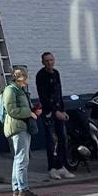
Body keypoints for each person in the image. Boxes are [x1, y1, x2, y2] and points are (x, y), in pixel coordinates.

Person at [0, 66, 40, 196]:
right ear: (21, 77)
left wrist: (33, 110)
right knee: (22, 158)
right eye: (27, 76)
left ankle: (16, 188)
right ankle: (23, 189)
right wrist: (30, 113)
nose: (28, 79)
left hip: (22, 126)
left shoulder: (19, 90)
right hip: (17, 127)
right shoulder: (10, 90)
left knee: (19, 158)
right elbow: (12, 110)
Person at [36, 50, 72, 179]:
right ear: (43, 62)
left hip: (59, 111)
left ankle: (61, 166)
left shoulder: (56, 73)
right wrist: (55, 111)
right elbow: (43, 97)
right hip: (49, 113)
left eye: (51, 60)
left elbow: (59, 93)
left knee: (62, 138)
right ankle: (52, 168)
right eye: (47, 61)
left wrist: (62, 110)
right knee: (52, 140)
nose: (49, 63)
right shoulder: (41, 76)